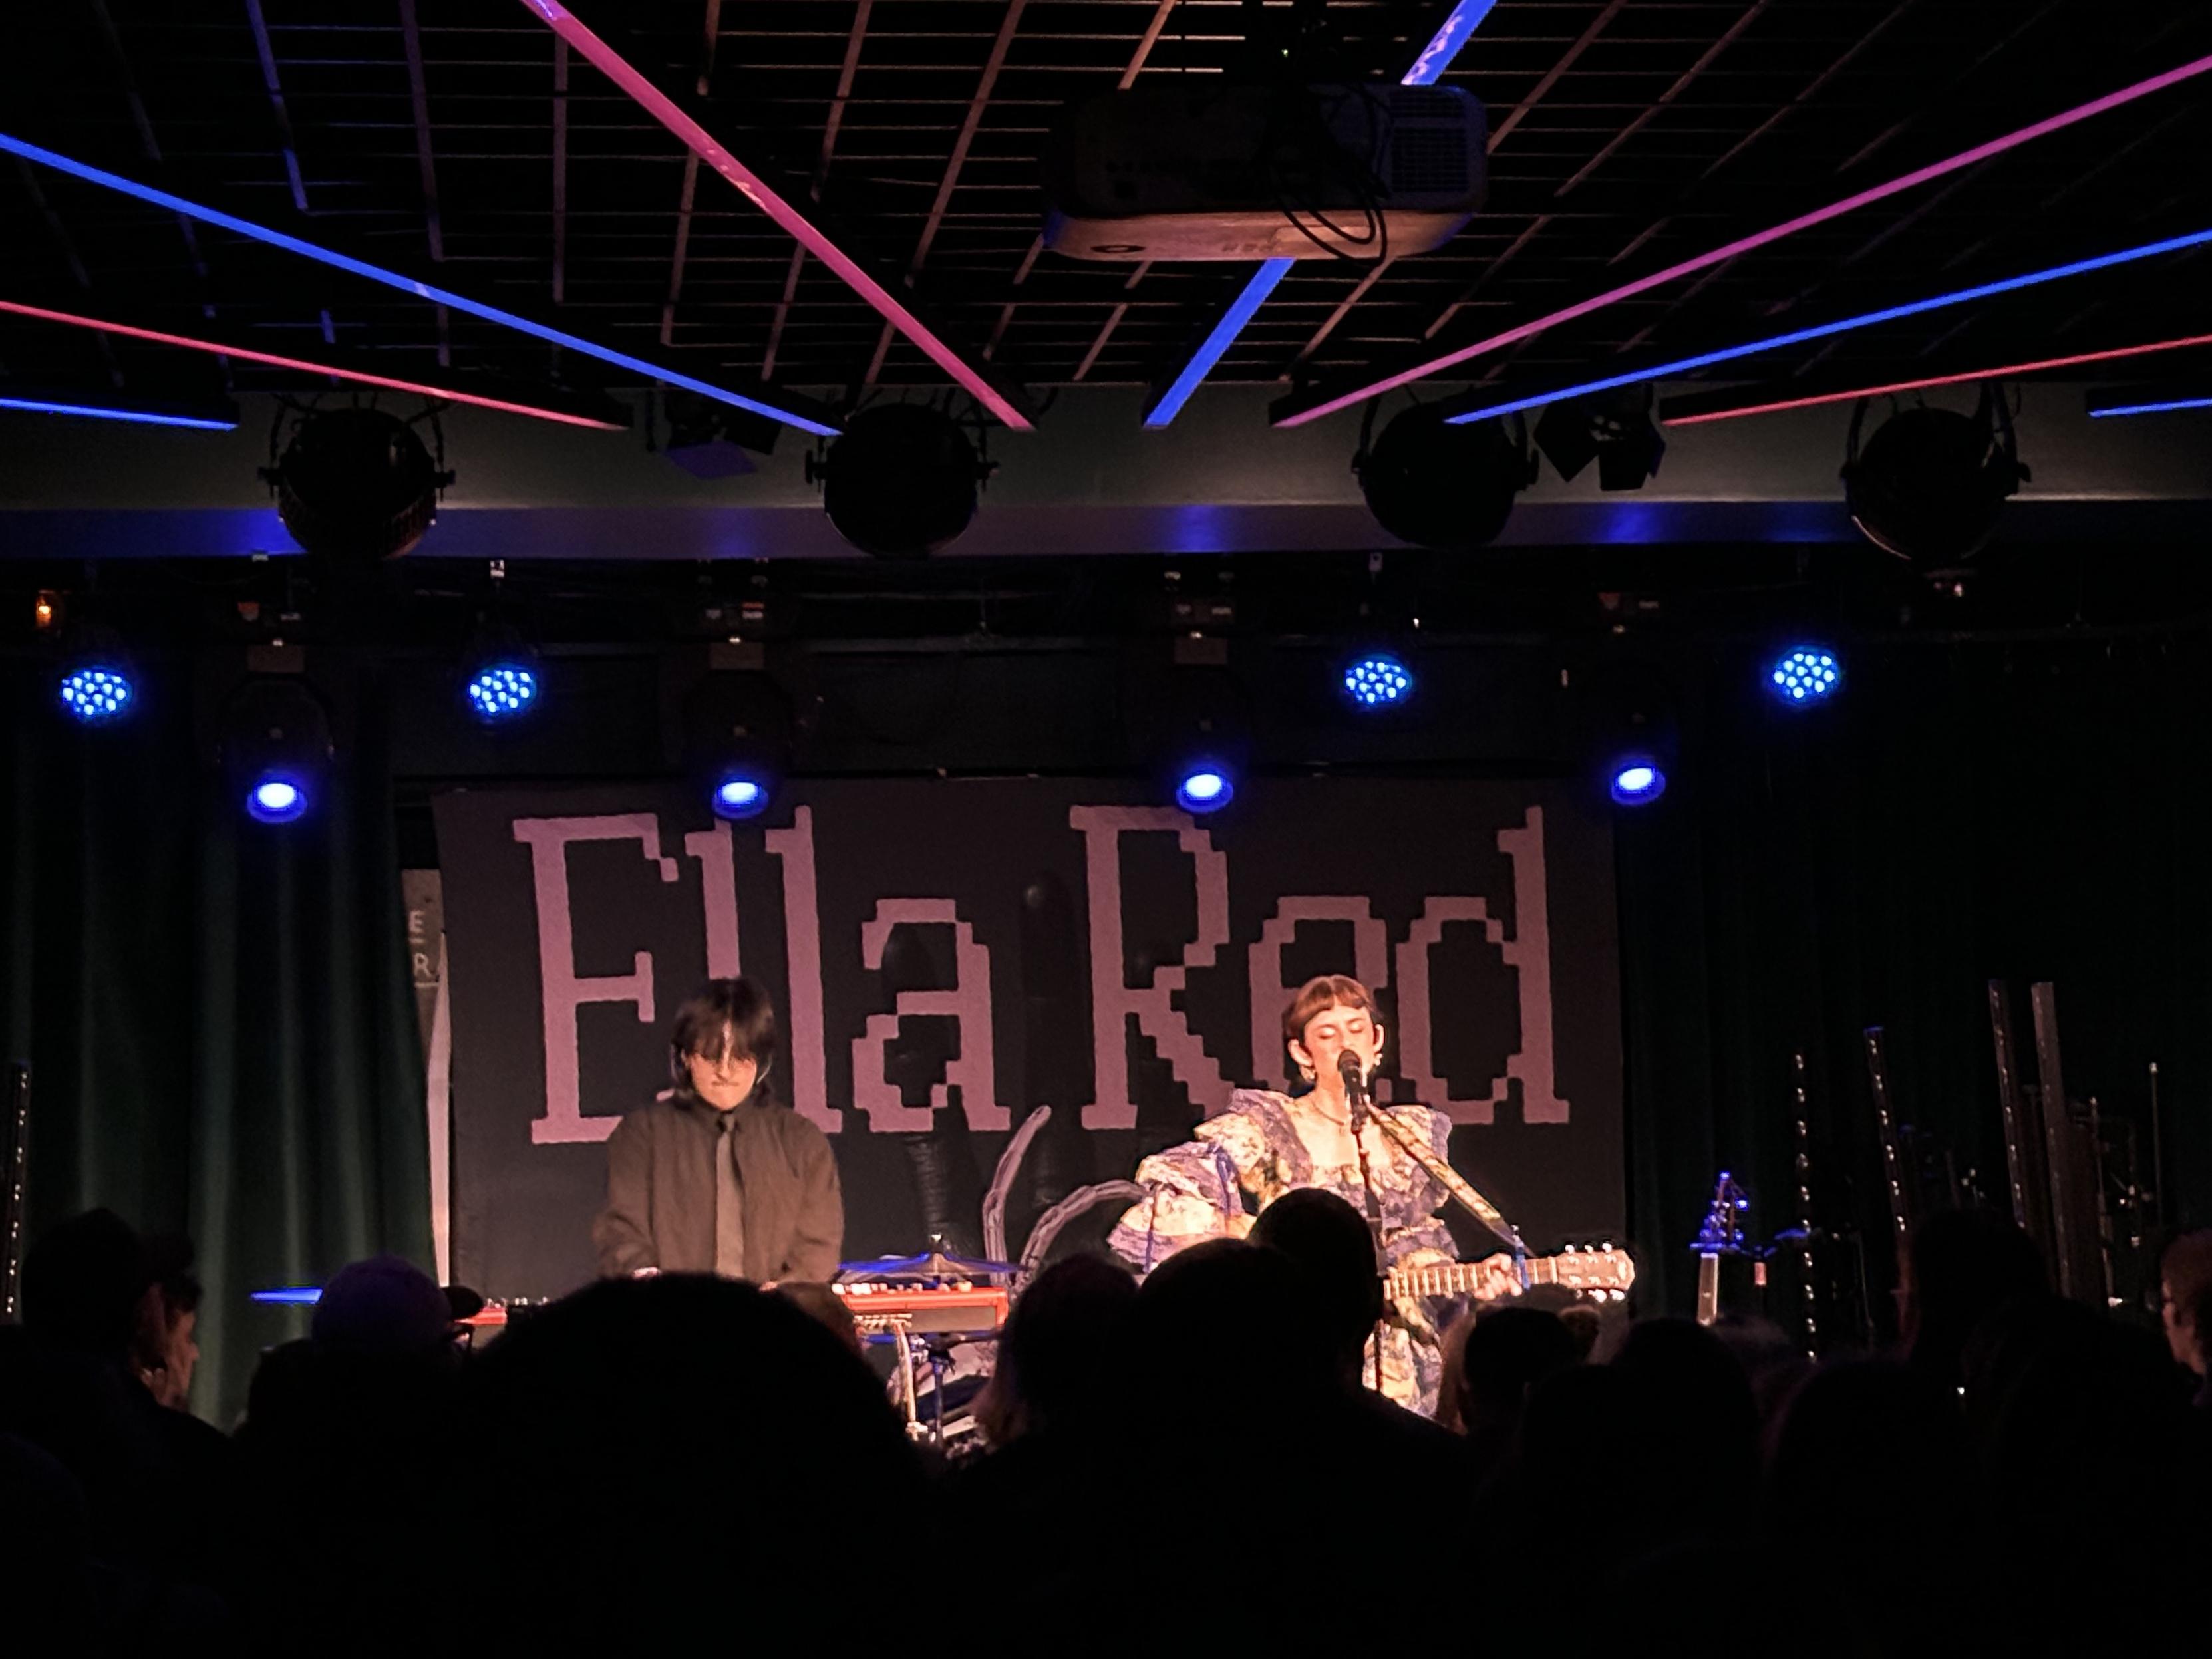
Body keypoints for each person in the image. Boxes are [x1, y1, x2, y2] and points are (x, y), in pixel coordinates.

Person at [1108, 973, 1518, 1414]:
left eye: (1356, 1029)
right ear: (1302, 1051)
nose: (1346, 1042)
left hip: (1399, 1355)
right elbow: (1173, 1187)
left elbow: (1420, 1256)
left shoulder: (1411, 1136)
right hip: (1297, 1341)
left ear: (1377, 1040)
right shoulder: (1271, 1126)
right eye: (1327, 1033)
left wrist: (1472, 1282)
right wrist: (1251, 1242)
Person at [591, 977, 842, 1282]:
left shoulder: (801, 1140)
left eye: (739, 1058)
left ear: (761, 1062)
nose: (725, 1072)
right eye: (711, 1057)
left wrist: (783, 1295)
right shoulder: (642, 1134)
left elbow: (818, 1245)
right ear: (685, 1057)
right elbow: (622, 1233)